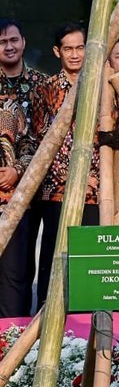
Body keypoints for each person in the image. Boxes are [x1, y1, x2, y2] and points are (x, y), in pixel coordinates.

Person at [32, 22, 99, 310]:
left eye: (80, 47)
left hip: (98, 191)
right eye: (68, 48)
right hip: (57, 191)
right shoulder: (45, 90)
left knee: (93, 264)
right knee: (56, 259)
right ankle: (50, 322)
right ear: (57, 51)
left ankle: (90, 331)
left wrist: (95, 178)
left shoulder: (102, 85)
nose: (75, 54)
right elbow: (42, 142)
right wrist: (75, 178)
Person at [0, 17, 47, 314]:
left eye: (13, 40)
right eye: (3, 42)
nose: (9, 46)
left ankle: (13, 338)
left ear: (23, 43)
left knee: (18, 271)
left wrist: (18, 169)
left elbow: (44, 136)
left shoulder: (41, 84)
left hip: (28, 192)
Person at [0, 99, 35, 316]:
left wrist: (17, 170)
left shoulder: (11, 109)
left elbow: (31, 149)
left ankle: (11, 343)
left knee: (14, 278)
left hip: (12, 208)